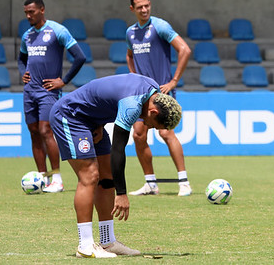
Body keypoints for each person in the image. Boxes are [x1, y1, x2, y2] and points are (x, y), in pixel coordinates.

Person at [49, 73, 182, 257]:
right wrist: (121, 194)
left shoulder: (154, 91)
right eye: (154, 126)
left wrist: (98, 121)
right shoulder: (132, 105)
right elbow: (117, 150)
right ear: (153, 112)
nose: (149, 127)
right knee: (90, 176)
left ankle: (107, 242)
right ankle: (85, 245)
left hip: (92, 121)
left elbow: (109, 96)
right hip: (70, 116)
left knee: (107, 177)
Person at [125, 0, 193, 197]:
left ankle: (184, 182)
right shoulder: (130, 33)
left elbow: (185, 50)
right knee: (138, 135)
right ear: (132, 9)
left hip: (161, 92)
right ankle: (151, 184)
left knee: (166, 132)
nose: (144, 10)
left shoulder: (160, 26)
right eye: (139, 7)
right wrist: (134, 77)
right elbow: (129, 56)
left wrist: (173, 81)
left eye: (146, 5)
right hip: (140, 94)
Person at [18, 0, 86, 193]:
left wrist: (63, 80)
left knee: (46, 130)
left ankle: (57, 178)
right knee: (34, 133)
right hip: (30, 91)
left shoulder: (57, 30)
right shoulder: (27, 36)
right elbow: (21, 59)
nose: (28, 16)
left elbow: (80, 57)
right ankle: (42, 178)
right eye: (26, 13)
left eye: (31, 12)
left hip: (49, 91)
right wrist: (24, 74)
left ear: (42, 10)